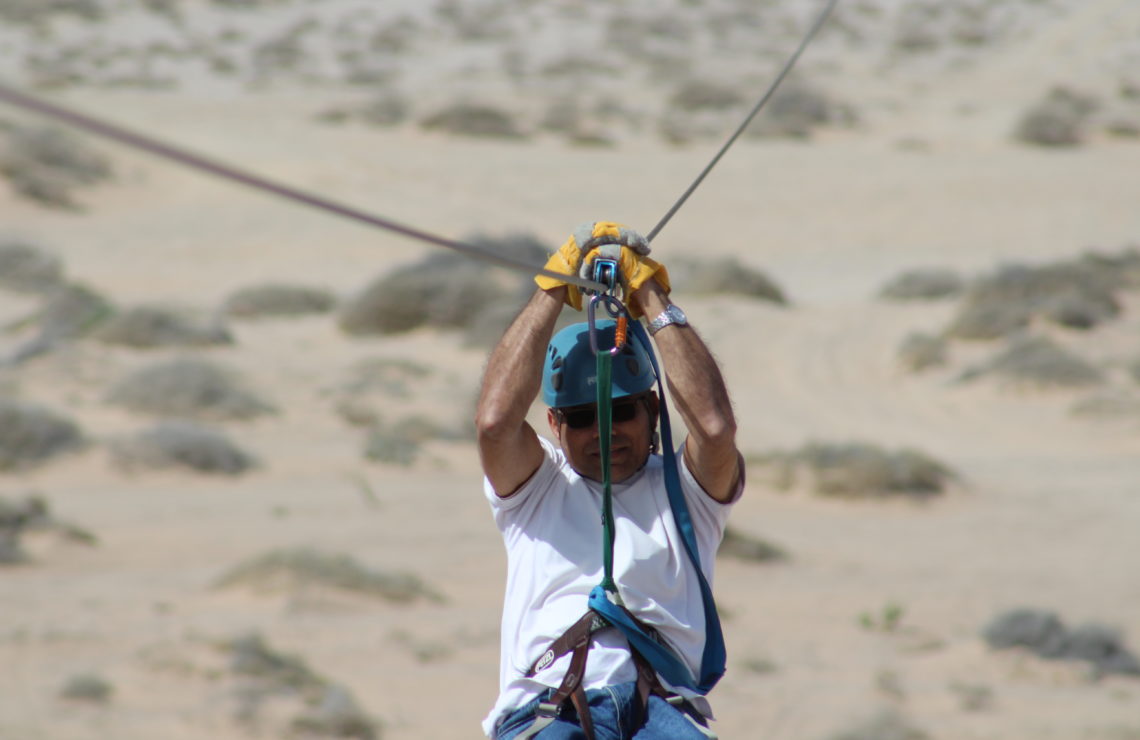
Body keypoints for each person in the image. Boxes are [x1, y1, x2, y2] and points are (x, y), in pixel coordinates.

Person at [475, 221, 744, 740]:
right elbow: (494, 423)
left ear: (652, 411)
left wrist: (649, 293)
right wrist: (553, 285)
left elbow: (713, 428)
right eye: (581, 418)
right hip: (551, 707)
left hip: (661, 711)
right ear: (554, 425)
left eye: (621, 411)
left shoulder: (687, 493)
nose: (604, 430)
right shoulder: (536, 489)